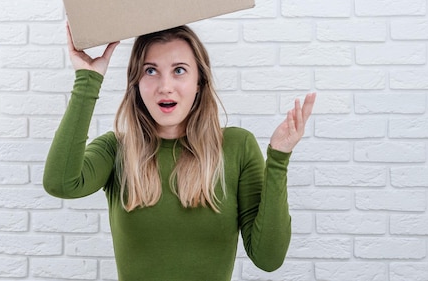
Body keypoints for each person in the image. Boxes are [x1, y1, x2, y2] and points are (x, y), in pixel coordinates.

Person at [43, 24, 316, 281]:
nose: (165, 86)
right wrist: (88, 79)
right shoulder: (116, 149)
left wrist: (278, 159)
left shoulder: (237, 146)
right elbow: (61, 183)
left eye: (179, 70)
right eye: (150, 71)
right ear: (136, 83)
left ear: (199, 81)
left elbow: (268, 258)